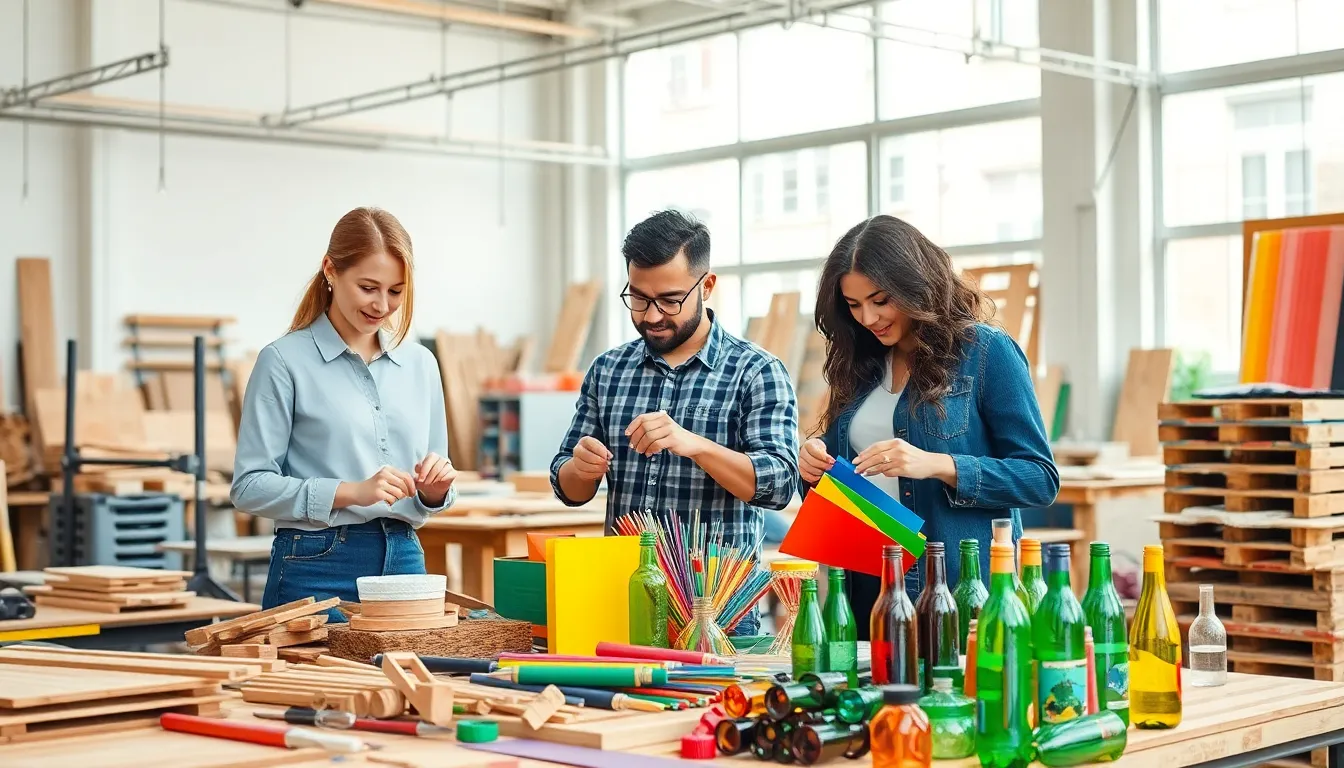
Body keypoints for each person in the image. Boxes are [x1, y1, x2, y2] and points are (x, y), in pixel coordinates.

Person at [797, 215, 1059, 637]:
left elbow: (1040, 478)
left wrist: (938, 464)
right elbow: (839, 488)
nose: (868, 317)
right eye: (854, 305)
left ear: (914, 285)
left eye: (881, 300)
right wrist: (811, 469)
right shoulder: (859, 365)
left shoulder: (986, 352)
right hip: (872, 592)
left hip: (958, 591)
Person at [549, 209, 800, 636]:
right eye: (639, 298)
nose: (650, 316)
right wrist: (581, 468)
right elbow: (568, 488)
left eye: (669, 300)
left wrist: (695, 445)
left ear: (707, 286)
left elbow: (777, 486)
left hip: (720, 613)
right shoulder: (609, 370)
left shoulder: (756, 371)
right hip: (624, 599)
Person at [231, 207, 458, 617]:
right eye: (368, 287)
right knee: (316, 683)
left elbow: (435, 474)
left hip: (405, 561)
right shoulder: (283, 361)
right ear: (330, 271)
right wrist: (350, 491)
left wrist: (436, 490)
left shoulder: (421, 364)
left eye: (396, 291)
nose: (382, 305)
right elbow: (249, 486)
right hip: (316, 565)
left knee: (408, 681)